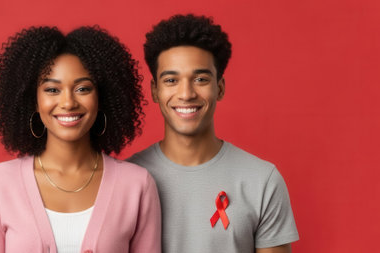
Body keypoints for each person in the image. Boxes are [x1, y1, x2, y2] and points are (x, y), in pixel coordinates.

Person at [0, 26, 161, 253]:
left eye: (83, 88)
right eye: (52, 89)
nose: (68, 102)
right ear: (33, 100)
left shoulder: (136, 185)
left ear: (102, 97)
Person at [128, 14, 299, 253]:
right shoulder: (126, 181)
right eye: (171, 80)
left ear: (219, 88)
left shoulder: (262, 181)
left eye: (200, 79)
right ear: (155, 91)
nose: (186, 93)